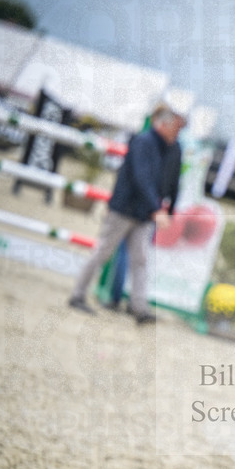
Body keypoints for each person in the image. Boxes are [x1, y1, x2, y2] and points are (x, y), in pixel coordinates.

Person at [68, 103, 187, 324]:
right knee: (103, 252)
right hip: (125, 209)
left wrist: (169, 210)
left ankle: (139, 308)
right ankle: (77, 295)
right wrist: (157, 209)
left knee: (140, 260)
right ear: (164, 124)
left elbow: (173, 181)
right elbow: (142, 178)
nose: (178, 132)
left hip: (145, 213)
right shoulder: (143, 142)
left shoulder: (173, 148)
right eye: (176, 127)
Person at [104, 128, 183, 312]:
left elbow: (162, 180)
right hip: (141, 207)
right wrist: (164, 209)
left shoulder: (159, 144)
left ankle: (127, 301)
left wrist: (165, 210)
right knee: (131, 256)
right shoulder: (154, 143)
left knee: (133, 257)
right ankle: (128, 301)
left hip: (144, 208)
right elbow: (148, 178)